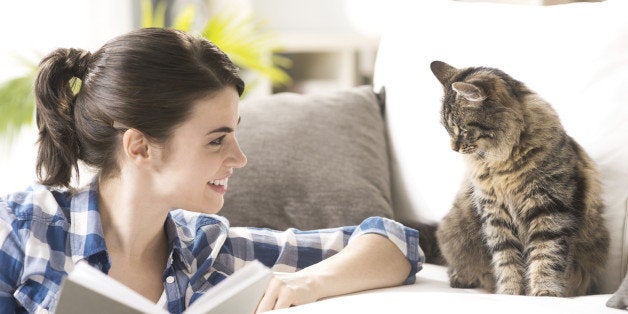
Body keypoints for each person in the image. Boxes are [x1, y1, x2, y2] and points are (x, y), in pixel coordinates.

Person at [0, 28, 423, 313]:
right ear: (140, 146)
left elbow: (396, 244)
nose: (239, 158)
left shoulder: (208, 248)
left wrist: (306, 285)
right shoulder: (23, 230)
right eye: (217, 139)